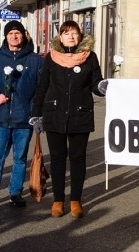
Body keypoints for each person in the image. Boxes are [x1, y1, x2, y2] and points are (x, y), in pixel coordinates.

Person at [31, 21, 106, 218]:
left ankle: (75, 200)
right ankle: (57, 200)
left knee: (78, 160)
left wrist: (103, 87)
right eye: (66, 33)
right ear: (60, 37)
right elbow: (42, 86)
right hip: (54, 115)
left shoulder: (90, 57)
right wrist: (36, 114)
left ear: (80, 36)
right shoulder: (51, 58)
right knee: (57, 160)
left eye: (74, 33)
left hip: (80, 116)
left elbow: (95, 83)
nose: (71, 37)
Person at [0, 20, 43, 209]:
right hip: (1, 118)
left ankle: (15, 192)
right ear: (5, 37)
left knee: (20, 158)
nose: (14, 36)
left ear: (24, 35)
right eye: (10, 34)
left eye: (18, 33)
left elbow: (42, 88)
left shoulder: (35, 60)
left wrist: (34, 111)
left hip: (24, 119)